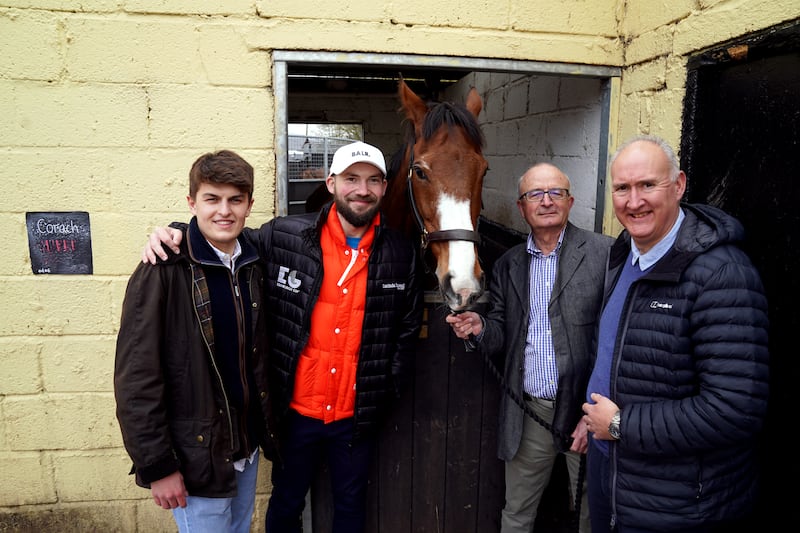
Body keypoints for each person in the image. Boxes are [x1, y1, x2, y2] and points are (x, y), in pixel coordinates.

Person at [142, 141, 423, 533]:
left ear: (385, 188)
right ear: (331, 183)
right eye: (351, 179)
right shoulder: (285, 235)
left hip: (355, 416)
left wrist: (386, 387)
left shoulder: (401, 252)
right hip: (295, 414)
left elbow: (406, 331)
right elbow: (221, 237)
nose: (363, 189)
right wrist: (175, 234)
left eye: (373, 180)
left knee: (351, 506)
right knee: (286, 503)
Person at [581, 135, 769, 533]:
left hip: (678, 503)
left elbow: (735, 409)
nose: (634, 202)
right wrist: (591, 416)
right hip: (612, 475)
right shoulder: (624, 253)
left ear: (679, 185)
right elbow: (617, 351)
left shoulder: (721, 274)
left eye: (648, 185)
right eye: (622, 188)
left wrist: (619, 425)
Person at [446, 162, 613, 533]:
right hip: (531, 411)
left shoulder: (605, 254)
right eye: (535, 194)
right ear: (521, 207)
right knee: (517, 511)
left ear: (570, 202)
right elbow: (501, 333)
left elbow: (617, 338)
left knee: (592, 512)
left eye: (556, 192)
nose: (546, 201)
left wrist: (598, 409)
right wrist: (479, 328)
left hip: (587, 409)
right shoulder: (509, 264)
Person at [114, 150, 276, 533]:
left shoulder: (252, 262)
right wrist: (158, 466)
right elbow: (136, 378)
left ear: (249, 205)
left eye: (235, 199)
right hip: (197, 456)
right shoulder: (162, 270)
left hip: (246, 450)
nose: (224, 211)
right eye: (212, 199)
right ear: (192, 203)